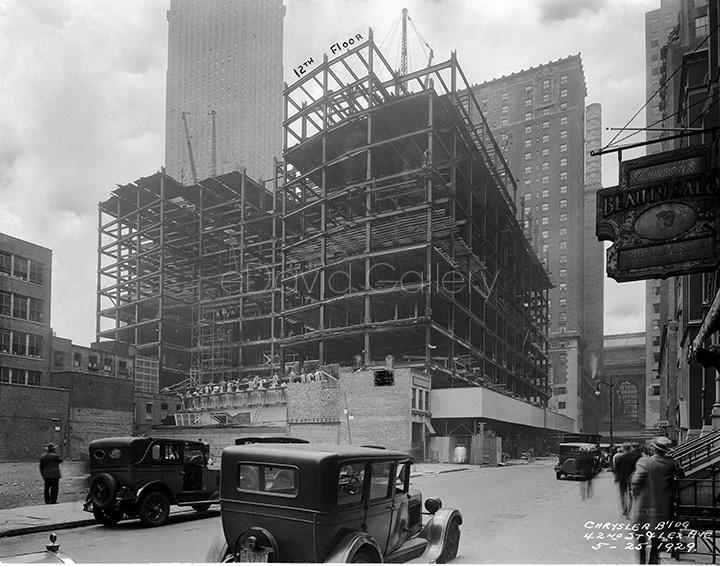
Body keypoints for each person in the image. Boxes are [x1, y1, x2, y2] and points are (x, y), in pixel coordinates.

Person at [630, 436, 683, 564]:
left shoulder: (644, 462)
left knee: (641, 539)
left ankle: (642, 562)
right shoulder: (672, 463)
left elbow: (635, 482)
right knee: (657, 539)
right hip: (662, 508)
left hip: (643, 506)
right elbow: (681, 477)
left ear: (654, 449)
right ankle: (653, 562)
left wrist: (634, 493)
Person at [614, 441, 642, 518]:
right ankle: (629, 510)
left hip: (622, 479)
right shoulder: (634, 458)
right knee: (630, 495)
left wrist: (617, 477)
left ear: (623, 449)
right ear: (630, 448)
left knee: (622, 495)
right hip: (631, 479)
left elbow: (616, 469)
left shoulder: (620, 458)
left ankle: (624, 511)